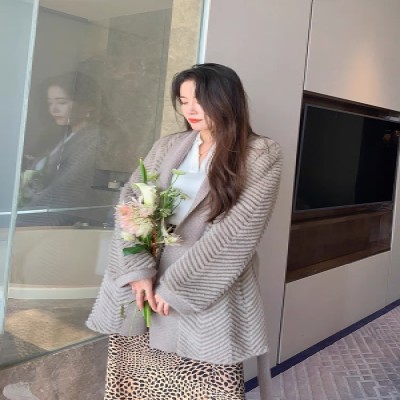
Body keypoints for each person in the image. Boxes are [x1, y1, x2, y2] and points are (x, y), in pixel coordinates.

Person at [86, 63, 282, 400]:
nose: (190, 109)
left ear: (226, 99)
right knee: (135, 383)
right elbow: (131, 203)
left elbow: (237, 232)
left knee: (203, 386)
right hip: (143, 285)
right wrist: (137, 270)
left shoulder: (261, 153)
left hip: (203, 286)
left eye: (199, 100)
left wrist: (177, 288)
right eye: (184, 100)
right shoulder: (169, 145)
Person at [18, 72, 115, 226]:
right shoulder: (59, 135)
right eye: (50, 103)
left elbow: (69, 188)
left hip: (57, 222)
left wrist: (22, 219)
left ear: (87, 104)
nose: (54, 109)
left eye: (61, 102)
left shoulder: (96, 139)